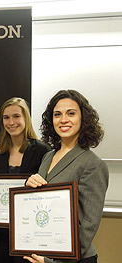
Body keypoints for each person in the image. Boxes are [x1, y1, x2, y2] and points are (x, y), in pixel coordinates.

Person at [24, 90, 109, 263]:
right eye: (57, 114)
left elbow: (86, 229)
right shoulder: (48, 157)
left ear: (83, 119)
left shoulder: (93, 164)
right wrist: (28, 186)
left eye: (71, 113)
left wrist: (53, 262)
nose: (63, 119)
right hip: (43, 253)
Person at [0, 97, 51, 263]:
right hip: (1, 231)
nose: (11, 122)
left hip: (29, 229)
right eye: (6, 118)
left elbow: (48, 191)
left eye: (16, 116)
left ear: (25, 119)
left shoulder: (43, 150)